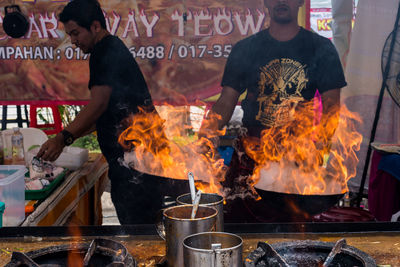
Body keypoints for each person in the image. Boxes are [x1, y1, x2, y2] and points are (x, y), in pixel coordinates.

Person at [199, 0, 346, 222]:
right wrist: (205, 136)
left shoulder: (321, 48)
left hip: (296, 157)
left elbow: (332, 105)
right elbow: (226, 101)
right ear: (266, 2)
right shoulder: (245, 48)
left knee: (294, 232)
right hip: (250, 157)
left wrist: (320, 146)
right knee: (240, 227)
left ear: (299, 2)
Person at [37, 0, 165, 224]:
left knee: (141, 236)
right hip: (139, 161)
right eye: (70, 35)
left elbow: (98, 104)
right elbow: (104, 114)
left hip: (136, 165)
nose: (73, 41)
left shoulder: (104, 51)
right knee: (147, 230)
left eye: (76, 33)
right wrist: (71, 137)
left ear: (95, 26)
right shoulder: (111, 48)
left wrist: (62, 138)